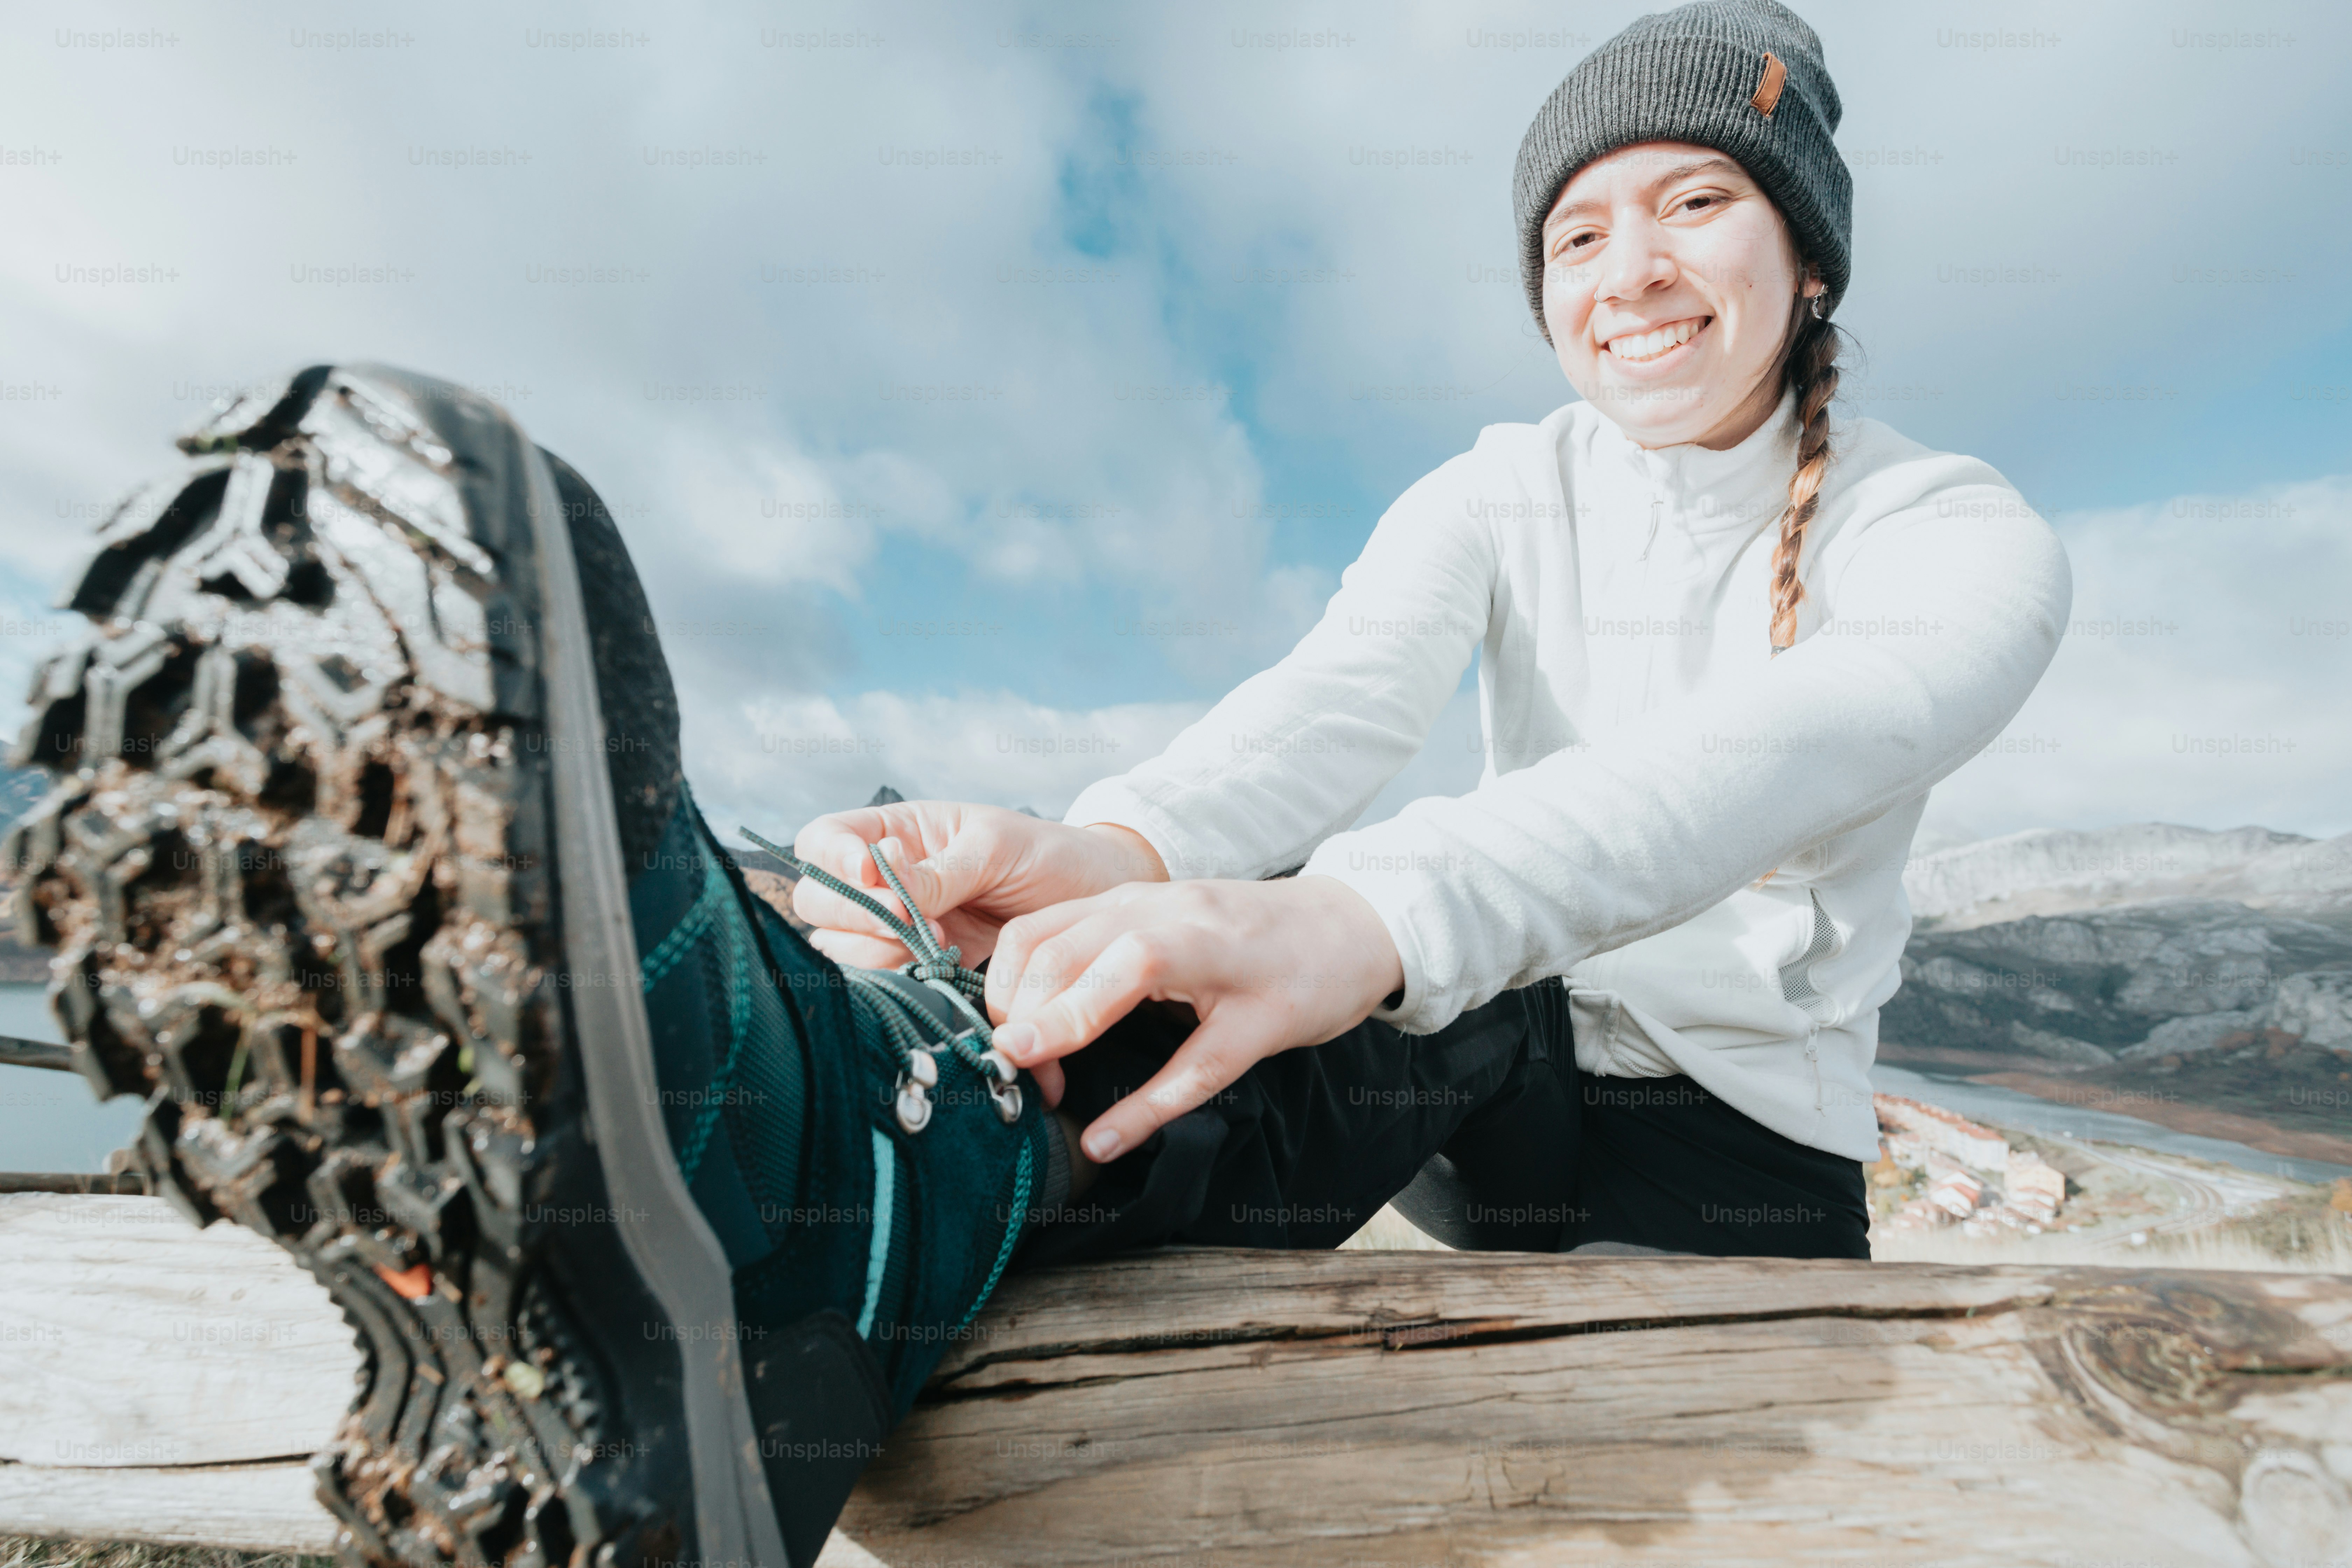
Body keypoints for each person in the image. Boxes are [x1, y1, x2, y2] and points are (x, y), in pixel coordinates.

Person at [11, 3, 2064, 1564]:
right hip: (1495, 1081)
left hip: (1737, 1174)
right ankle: (805, 1177)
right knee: (1260, 995)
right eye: (1581, 227)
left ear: (1811, 261)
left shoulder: (1959, 535)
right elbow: (1326, 705)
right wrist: (1111, 856)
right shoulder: (1496, 486)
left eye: (1698, 201)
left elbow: (1761, 761)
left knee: (1384, 947)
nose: (1631, 264)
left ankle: (812, 1189)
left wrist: (1358, 914)